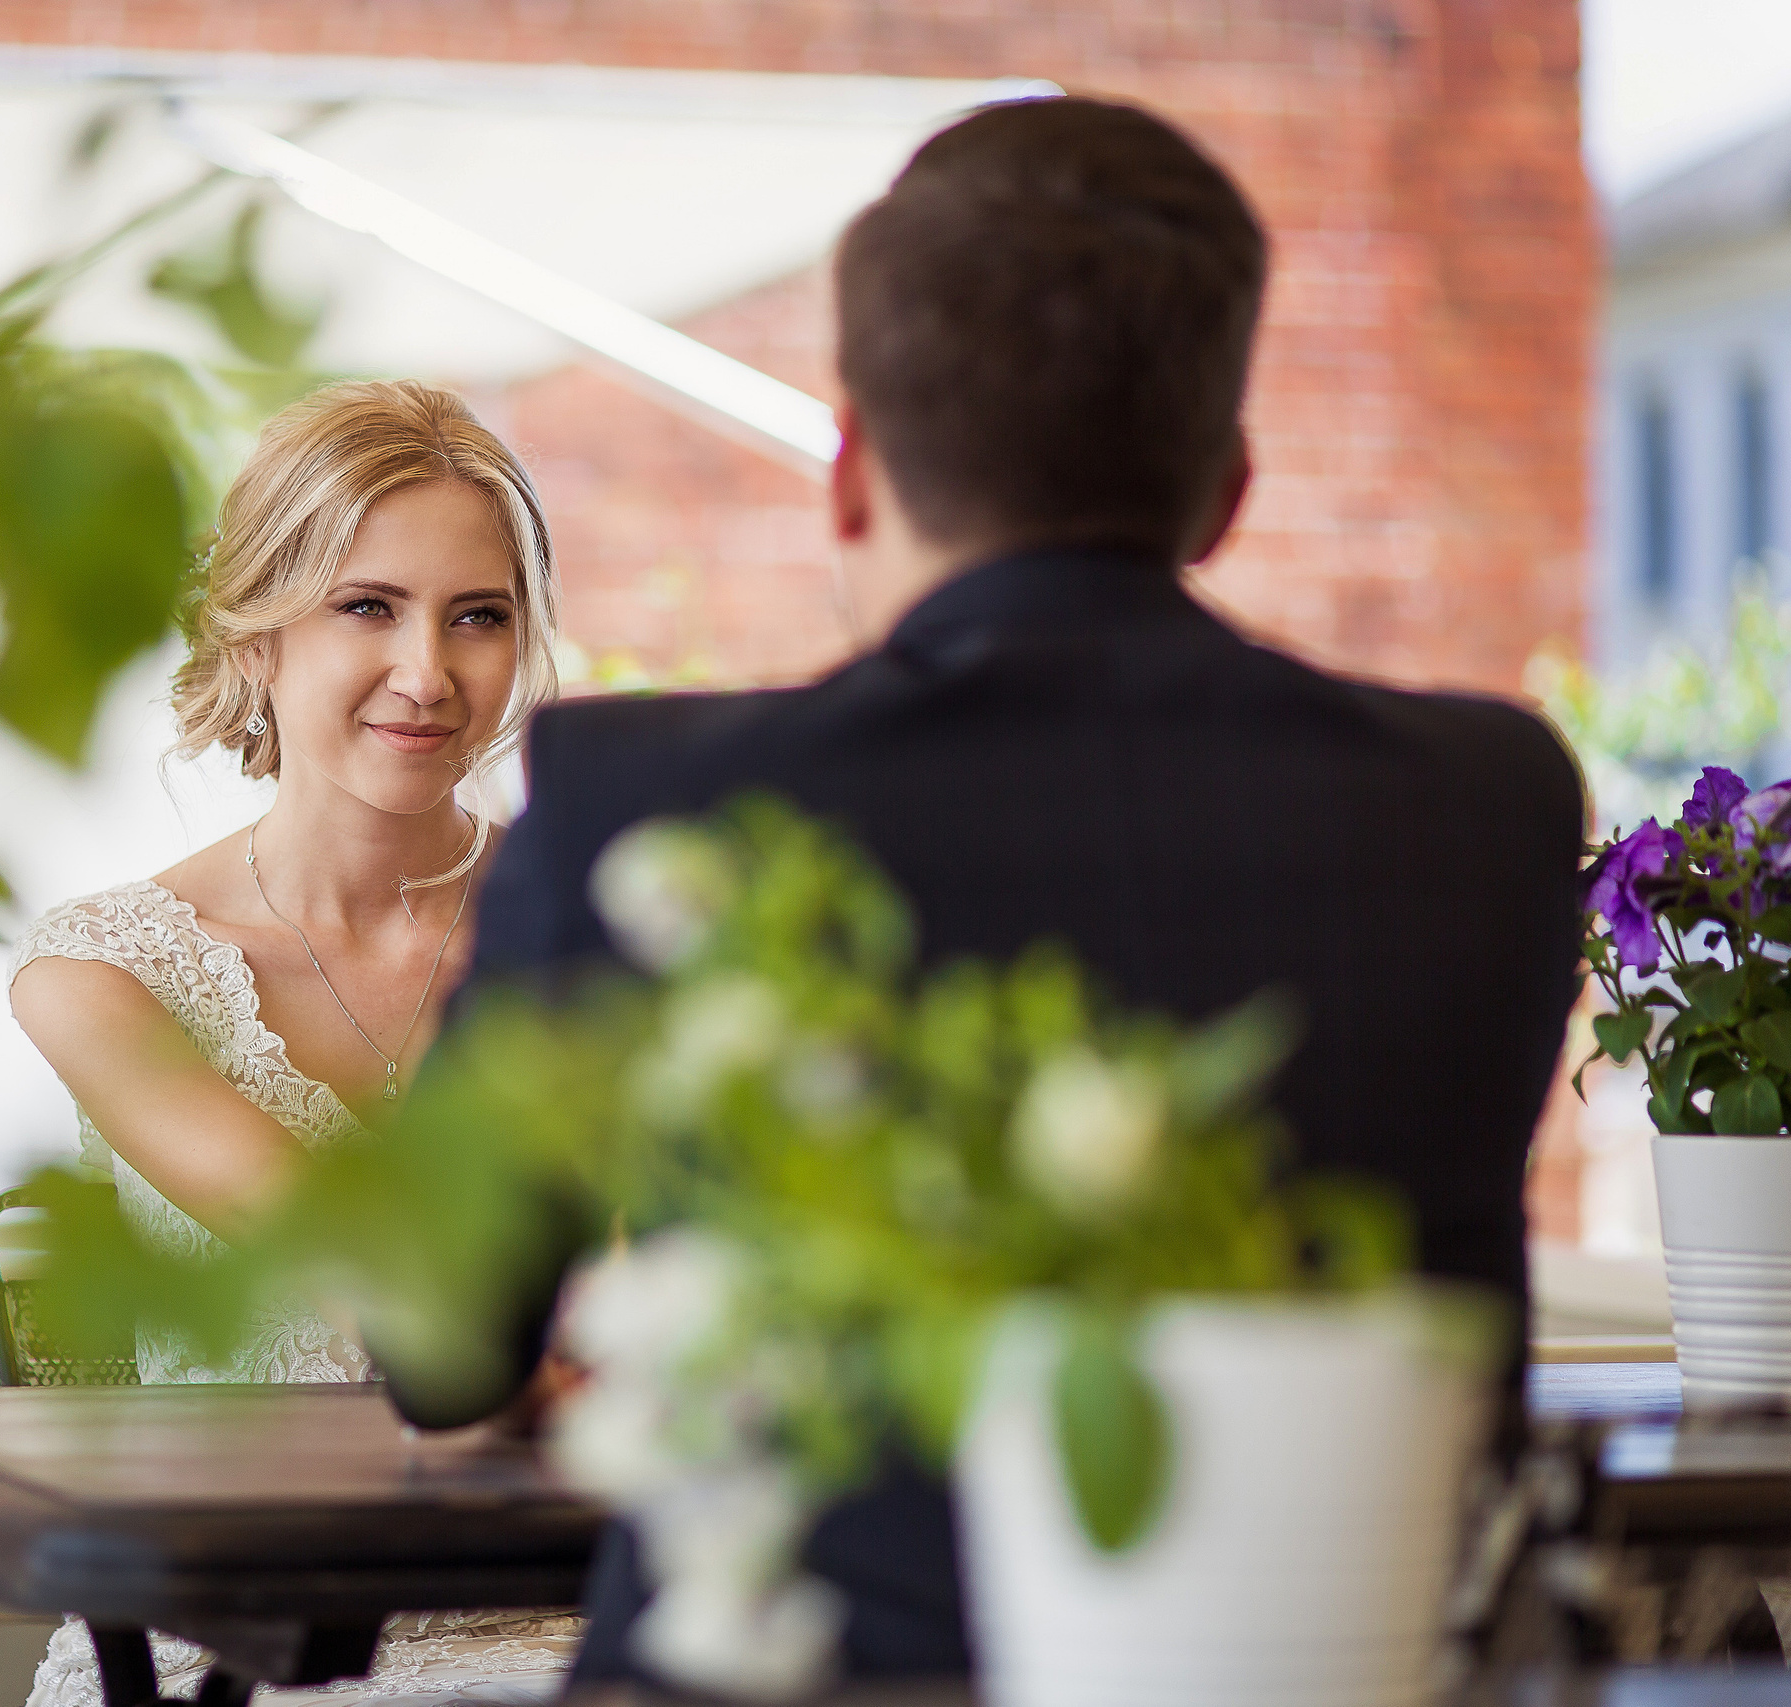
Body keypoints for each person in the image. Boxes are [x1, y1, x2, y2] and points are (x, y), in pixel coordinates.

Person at [401, 96, 1586, 1684]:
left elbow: (438, 1354)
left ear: (847, 472)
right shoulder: (1489, 801)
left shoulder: (643, 802)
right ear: (1227, 485)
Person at [6, 379, 579, 1704]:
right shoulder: (101, 976)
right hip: (240, 1650)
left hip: (567, 1625)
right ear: (257, 635)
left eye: (479, 617)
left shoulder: (597, 927)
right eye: (366, 607)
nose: (428, 673)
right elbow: (422, 1325)